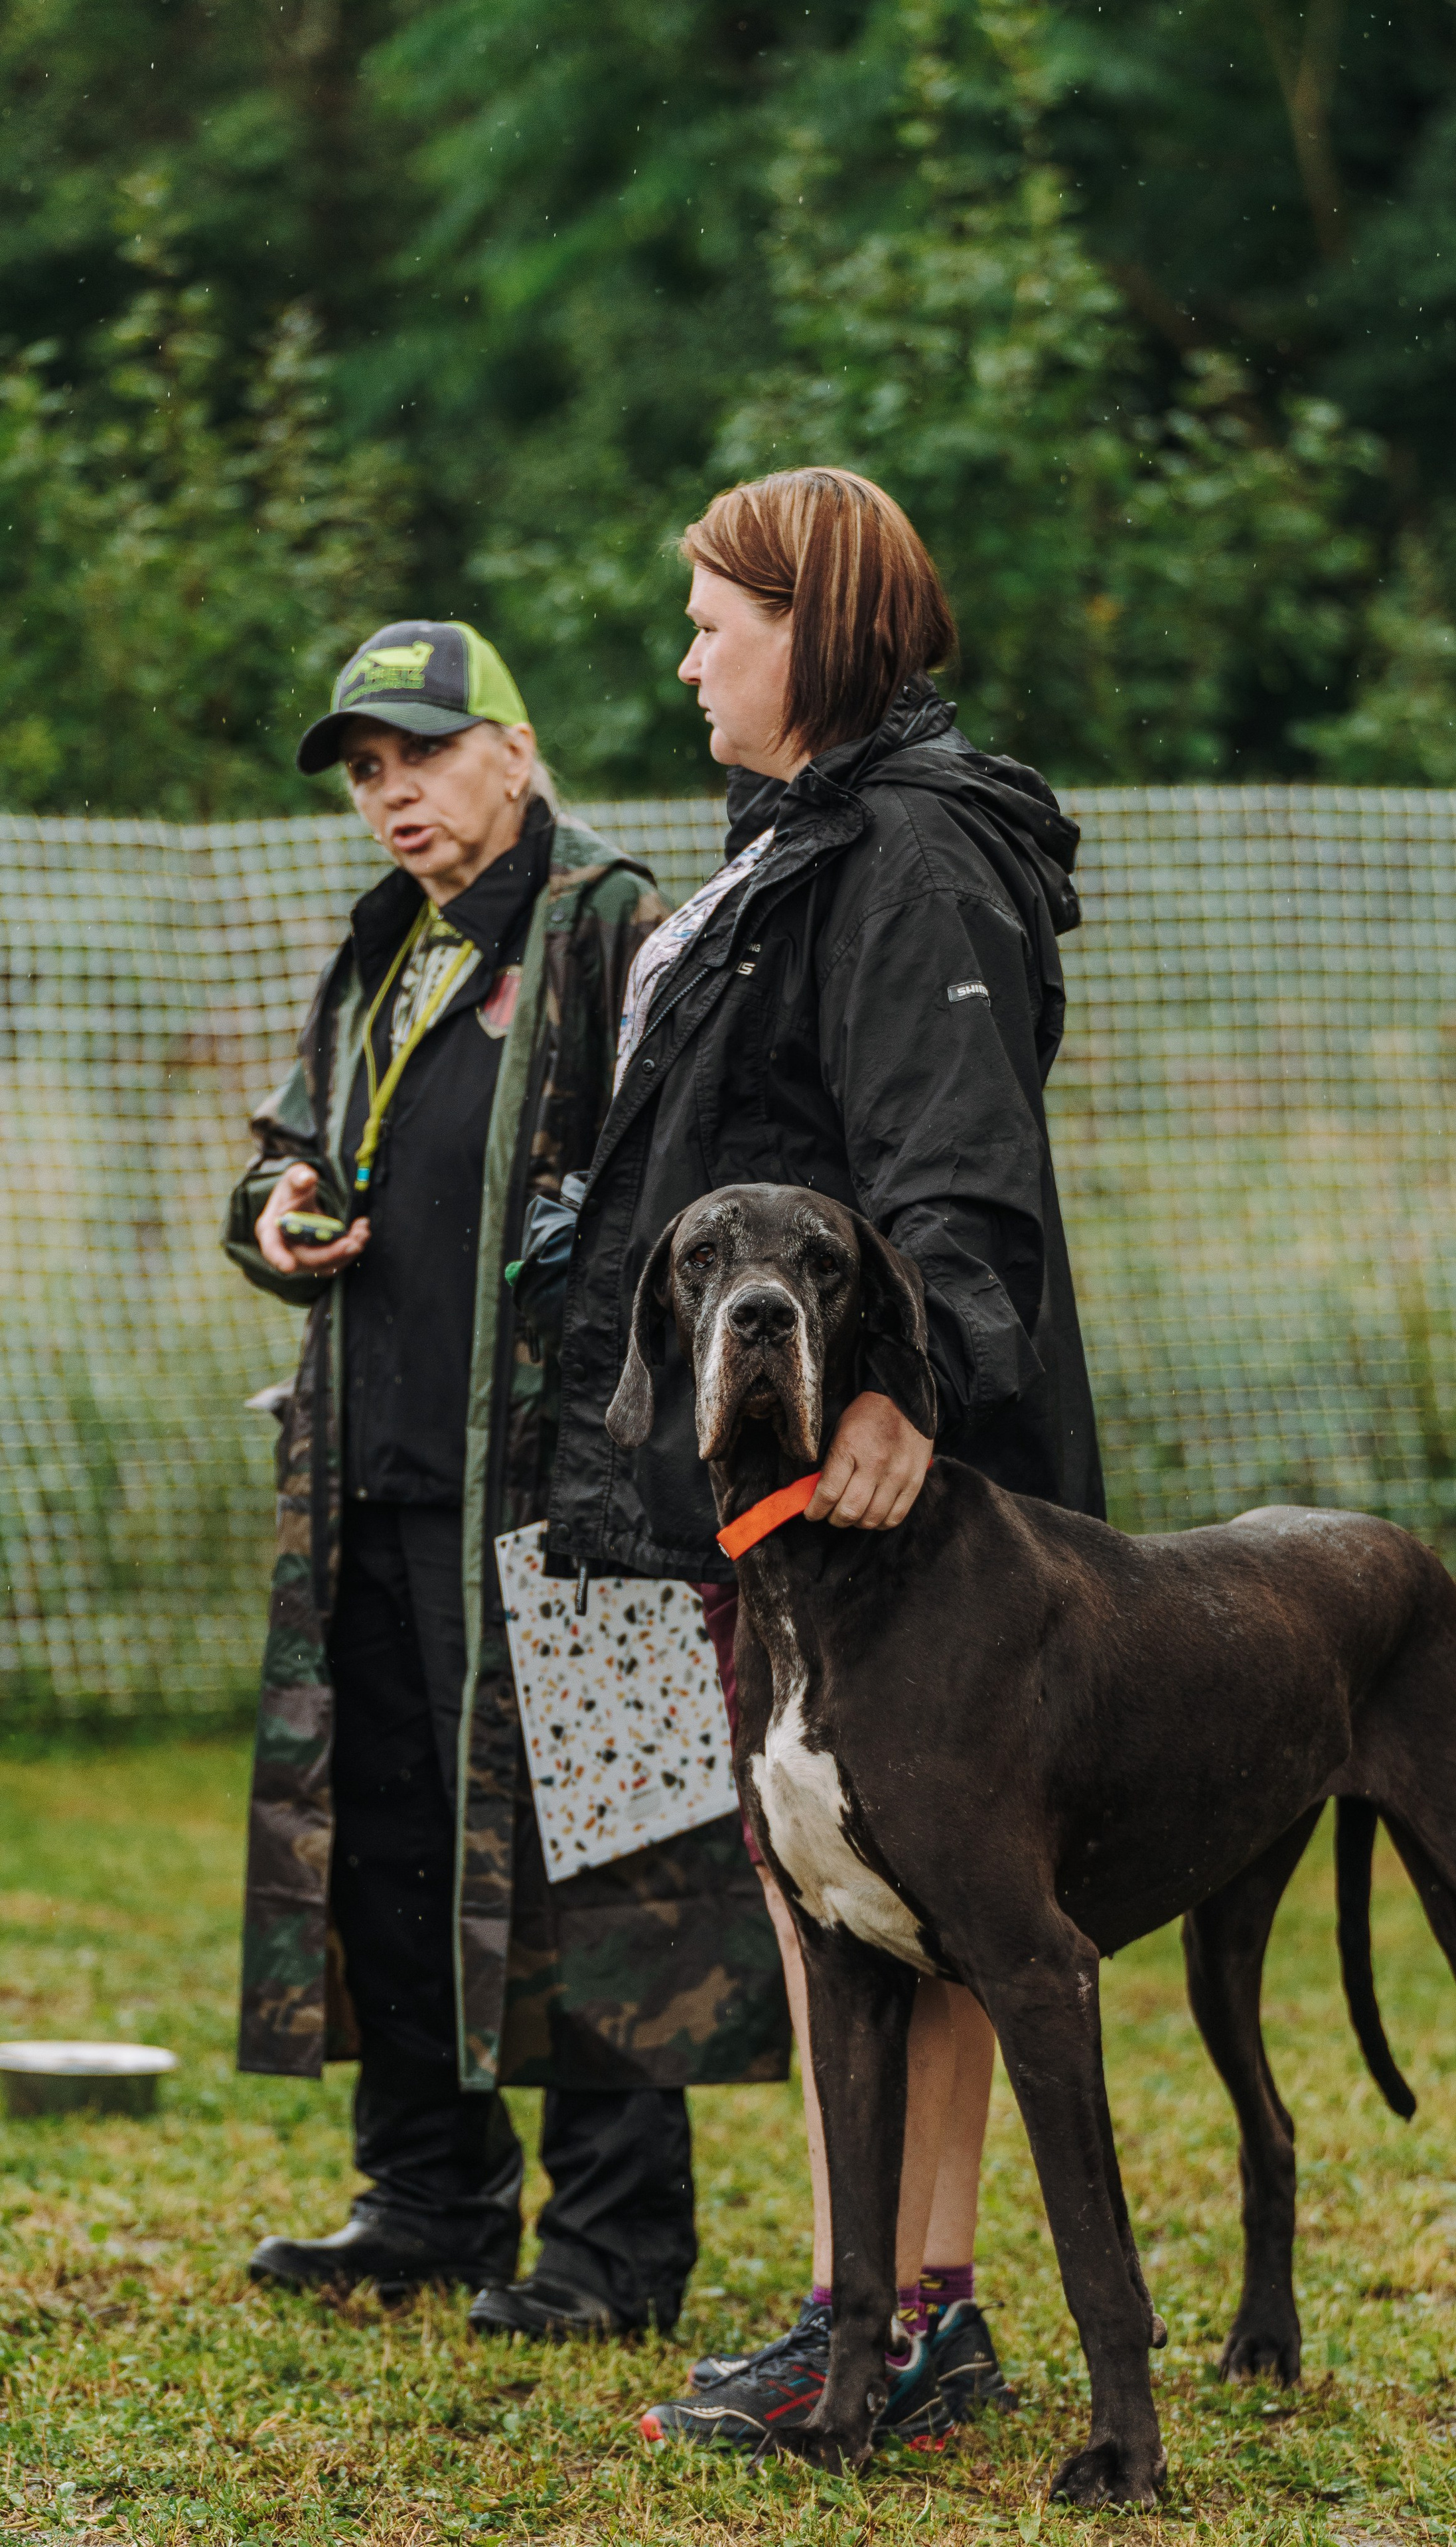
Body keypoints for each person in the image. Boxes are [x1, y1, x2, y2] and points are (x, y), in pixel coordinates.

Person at [538, 469, 1104, 2447]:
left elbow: (958, 1160)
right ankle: (875, 2302)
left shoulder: (910, 848)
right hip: (767, 1470)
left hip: (883, 1483)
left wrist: (903, 1397)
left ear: (818, 627)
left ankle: (914, 2314)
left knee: (919, 1885)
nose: (689, 660)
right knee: (832, 1882)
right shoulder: (799, 842)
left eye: (716, 623)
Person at [222, 619, 787, 2338]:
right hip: (378, 1481)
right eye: (368, 772)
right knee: (392, 1838)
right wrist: (273, 1213)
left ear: (518, 752)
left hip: (578, 1491)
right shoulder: (386, 946)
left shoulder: (617, 928)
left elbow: (706, 1180)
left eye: (428, 755)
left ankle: (614, 2250)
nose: (396, 796)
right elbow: (292, 1146)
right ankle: (428, 2198)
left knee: (610, 1850)